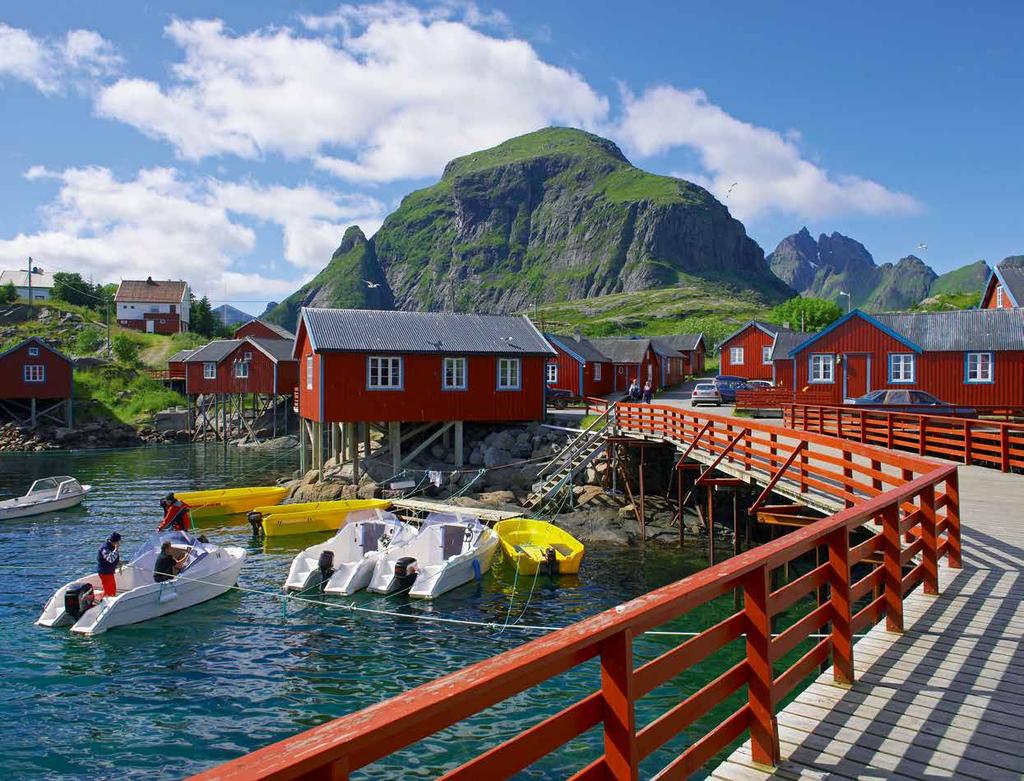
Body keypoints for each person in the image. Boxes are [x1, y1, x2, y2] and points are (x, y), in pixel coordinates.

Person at [97, 532, 121, 598]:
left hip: (108, 571)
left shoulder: (110, 546)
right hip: (105, 572)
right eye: (118, 541)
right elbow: (110, 559)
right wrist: (116, 549)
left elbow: (113, 557)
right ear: (115, 542)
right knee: (110, 592)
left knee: (112, 589)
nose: (119, 543)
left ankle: (106, 596)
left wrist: (118, 562)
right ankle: (106, 602)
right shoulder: (105, 548)